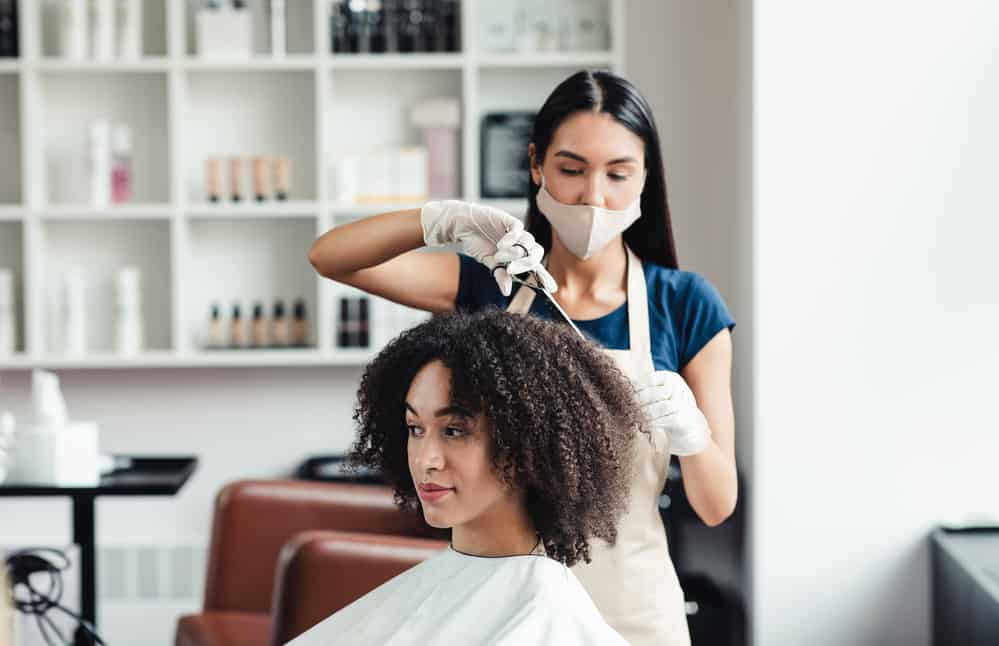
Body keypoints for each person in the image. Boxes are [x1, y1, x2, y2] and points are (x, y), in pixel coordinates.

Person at [308, 69, 737, 645]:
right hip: (507, 612)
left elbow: (716, 505)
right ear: (536, 165)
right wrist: (442, 220)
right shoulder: (489, 288)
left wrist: (693, 436)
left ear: (645, 177)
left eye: (618, 173)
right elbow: (331, 258)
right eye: (571, 169)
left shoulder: (684, 305)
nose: (593, 196)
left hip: (633, 615)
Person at [288, 310, 639, 645]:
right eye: (415, 428)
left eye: (454, 431)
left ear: (524, 442)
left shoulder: (545, 612)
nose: (426, 459)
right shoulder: (439, 581)